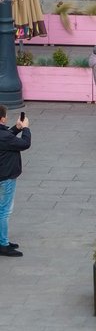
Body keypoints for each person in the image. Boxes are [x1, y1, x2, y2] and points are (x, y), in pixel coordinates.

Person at [0, 106, 29, 257]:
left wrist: (17, 128)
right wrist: (25, 129)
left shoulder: (4, 135)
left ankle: (1, 240)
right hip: (6, 177)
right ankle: (3, 244)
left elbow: (7, 137)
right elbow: (24, 144)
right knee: (4, 211)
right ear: (2, 119)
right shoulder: (4, 136)